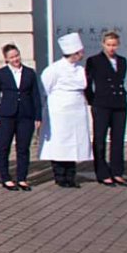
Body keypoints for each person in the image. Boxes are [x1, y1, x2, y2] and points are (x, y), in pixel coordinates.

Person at [39, 33, 93, 188]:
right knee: (60, 144)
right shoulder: (54, 69)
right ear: (74, 53)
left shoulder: (80, 69)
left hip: (77, 112)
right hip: (60, 113)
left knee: (74, 144)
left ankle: (71, 176)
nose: (82, 54)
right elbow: (44, 89)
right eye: (80, 52)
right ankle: (60, 176)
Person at [0, 43, 42, 191]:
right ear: (6, 59)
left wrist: (38, 116)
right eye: (11, 57)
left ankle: (22, 178)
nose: (15, 59)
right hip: (6, 115)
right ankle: (5, 178)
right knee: (3, 147)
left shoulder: (30, 73)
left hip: (26, 115)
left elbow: (36, 95)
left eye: (17, 55)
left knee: (23, 148)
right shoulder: (1, 73)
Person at [85, 30, 127, 187]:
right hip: (102, 103)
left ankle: (117, 171)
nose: (111, 48)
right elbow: (88, 83)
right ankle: (102, 172)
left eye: (114, 45)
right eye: (109, 45)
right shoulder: (94, 61)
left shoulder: (122, 61)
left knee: (118, 138)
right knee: (100, 139)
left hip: (119, 103)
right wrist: (92, 100)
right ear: (103, 44)